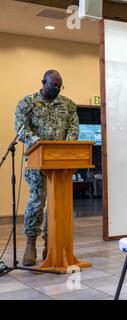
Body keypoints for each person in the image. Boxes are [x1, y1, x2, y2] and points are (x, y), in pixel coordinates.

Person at [14, 70, 79, 266]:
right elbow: (21, 128)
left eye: (60, 86)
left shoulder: (68, 105)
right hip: (37, 163)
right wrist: (39, 144)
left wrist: (66, 147)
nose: (57, 89)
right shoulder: (27, 103)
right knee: (37, 201)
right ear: (43, 82)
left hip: (61, 164)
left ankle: (51, 244)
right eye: (53, 86)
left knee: (57, 204)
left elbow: (73, 127)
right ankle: (31, 243)